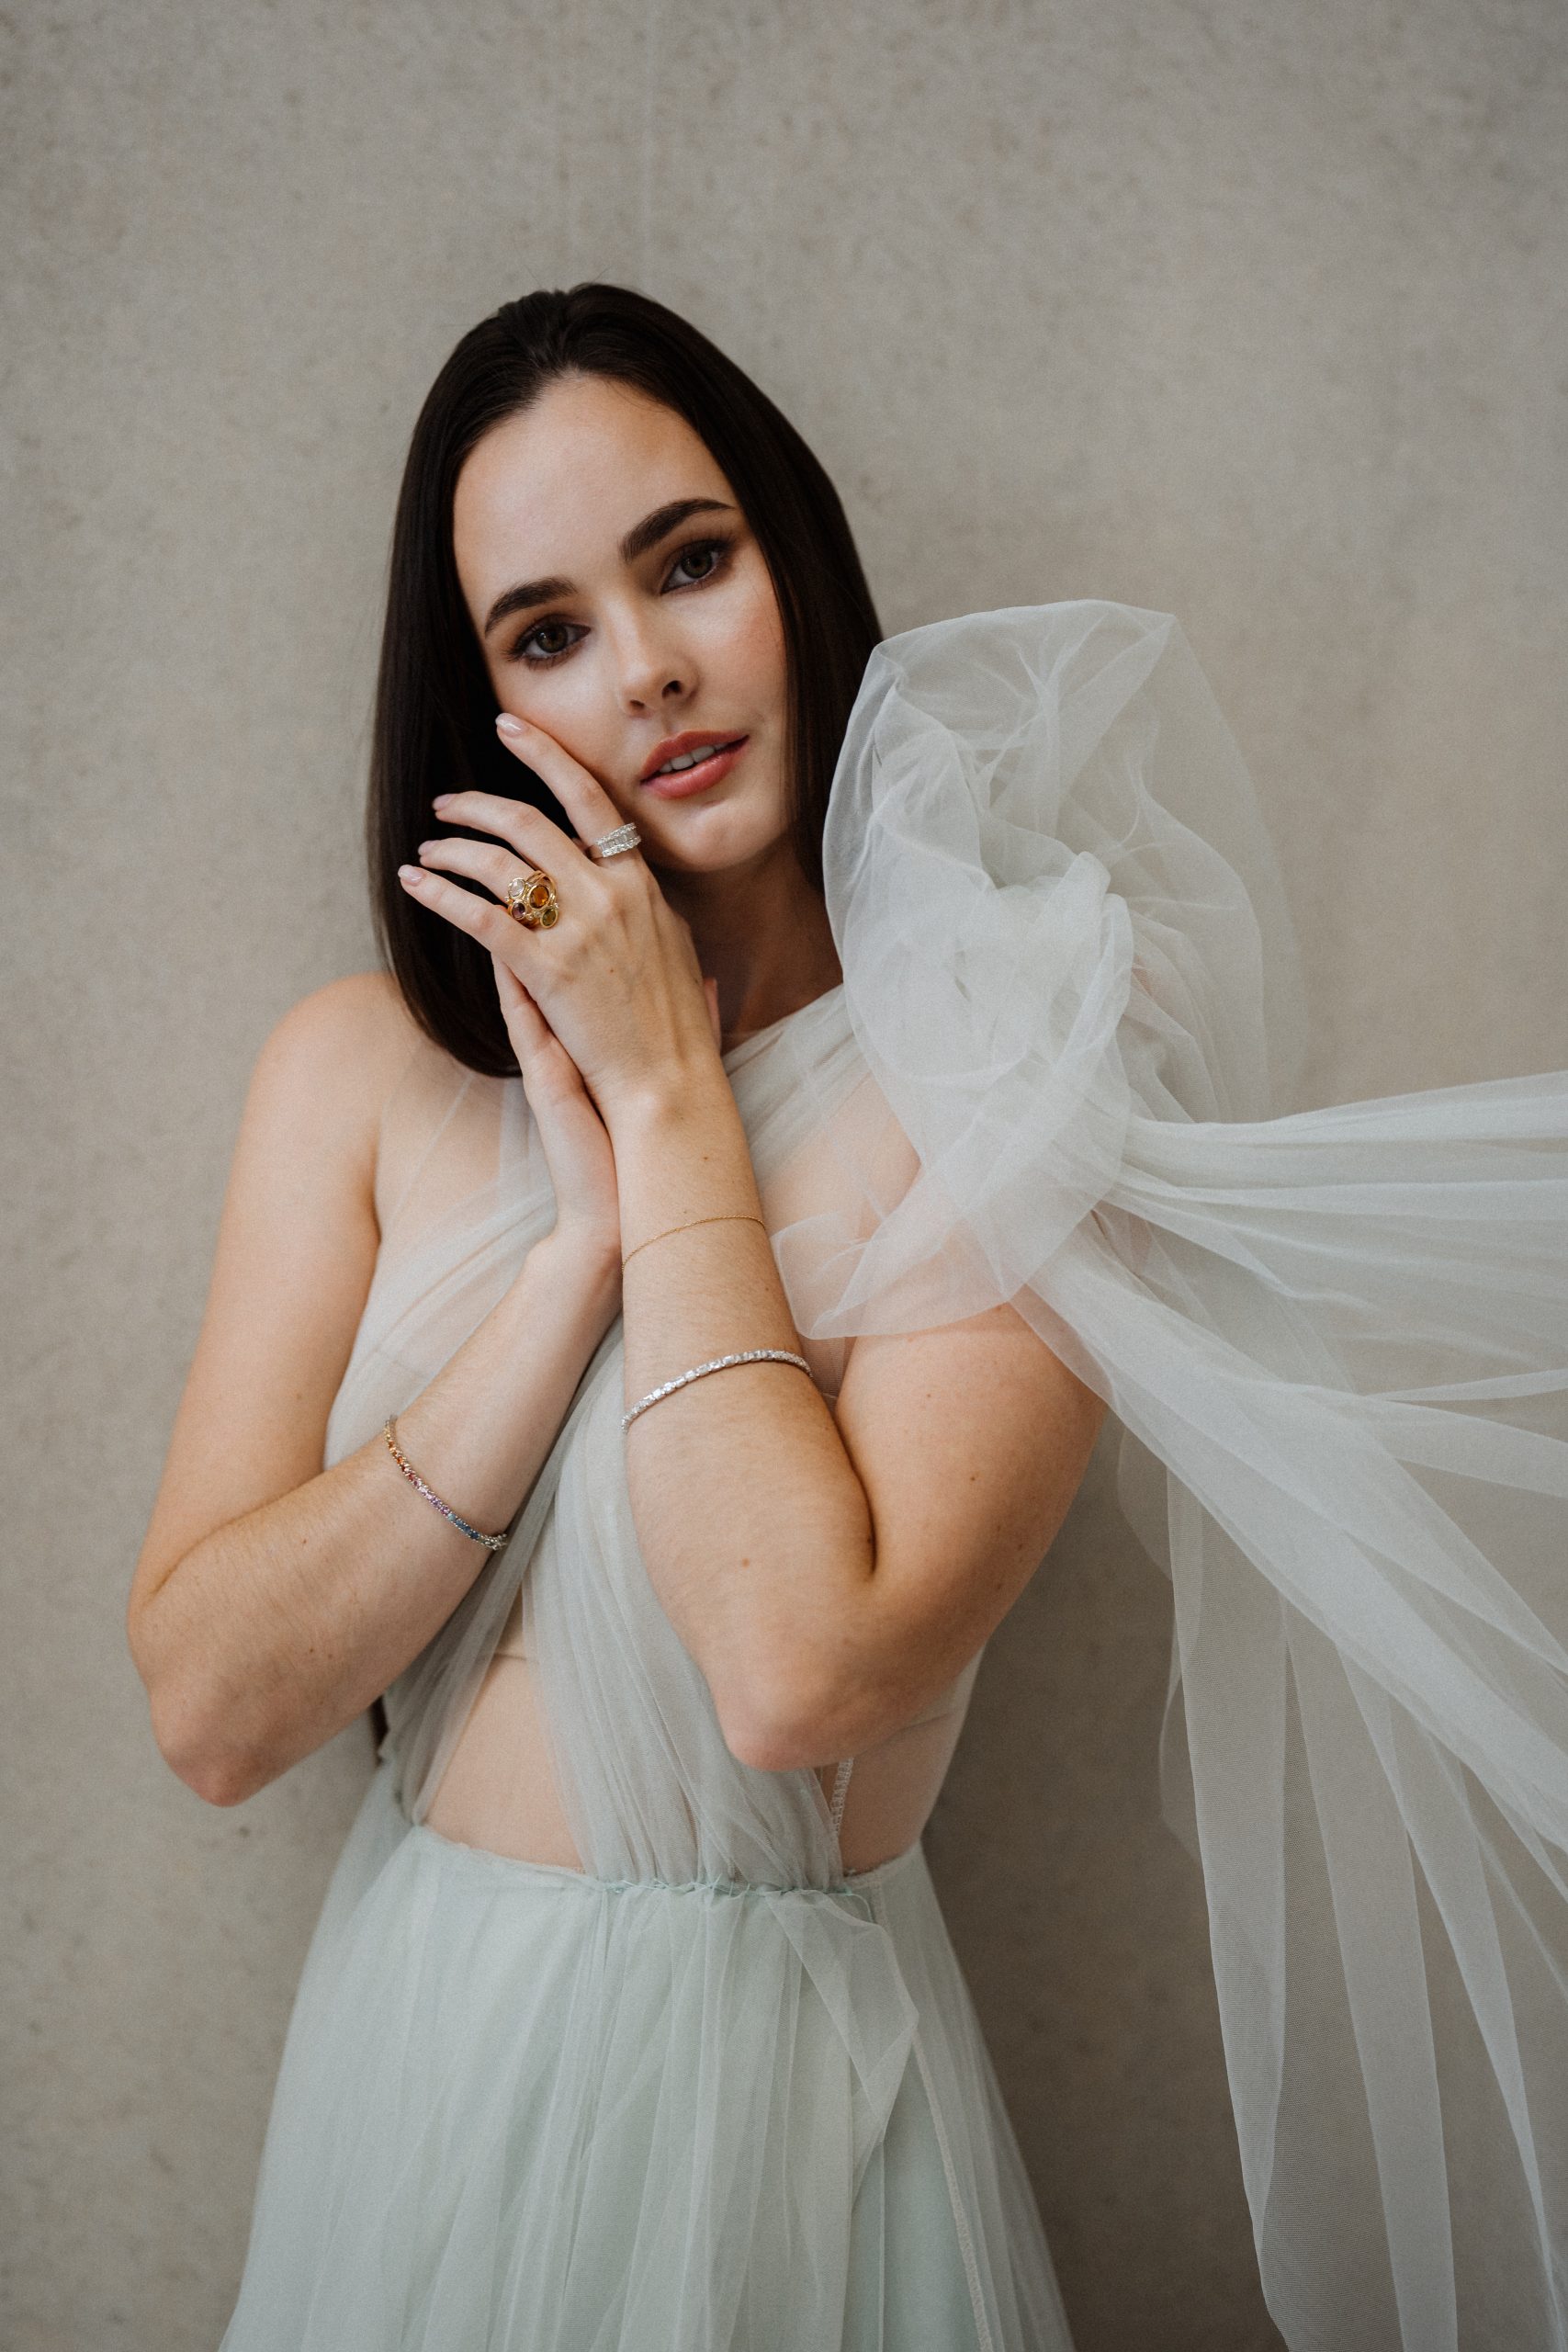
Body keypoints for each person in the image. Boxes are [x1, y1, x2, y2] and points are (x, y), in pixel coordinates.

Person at [128, 282, 1568, 2352]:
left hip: (761, 2115)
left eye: (688, 562)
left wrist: (666, 1105)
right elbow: (211, 1711)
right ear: (478, 708)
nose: (647, 668)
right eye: (546, 632)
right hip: (415, 2056)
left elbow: (802, 1668)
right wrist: (571, 1263)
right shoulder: (353, 1073)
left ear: (791, 560)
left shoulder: (1015, 1061)